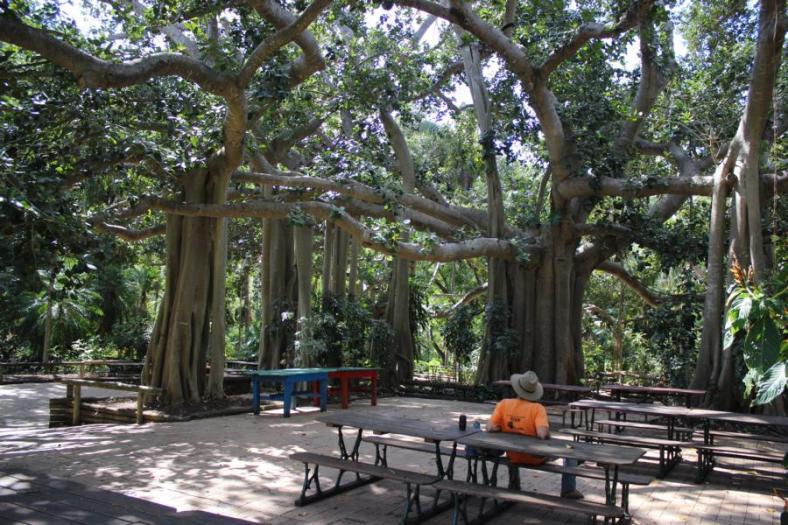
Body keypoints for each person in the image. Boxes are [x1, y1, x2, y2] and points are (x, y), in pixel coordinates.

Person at [488, 370, 583, 499]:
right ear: (533, 392)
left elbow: (489, 427)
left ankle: (514, 483)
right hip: (535, 457)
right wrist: (546, 432)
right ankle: (568, 490)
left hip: (512, 455)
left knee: (513, 444)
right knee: (571, 450)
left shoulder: (504, 404)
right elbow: (542, 434)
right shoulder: (537, 408)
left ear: (517, 388)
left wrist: (505, 427)